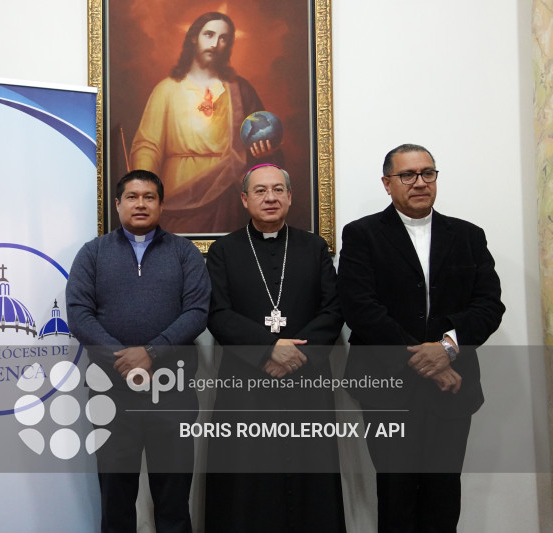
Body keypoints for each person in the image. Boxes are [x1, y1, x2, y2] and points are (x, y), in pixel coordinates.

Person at [337, 144, 505, 532]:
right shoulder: (362, 234)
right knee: (396, 496)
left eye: (428, 173)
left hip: (452, 386)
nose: (419, 182)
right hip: (388, 387)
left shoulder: (467, 235)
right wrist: (424, 361)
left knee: (443, 496)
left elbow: (488, 306)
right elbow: (361, 309)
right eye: (408, 175)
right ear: (387, 183)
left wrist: (446, 350)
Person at [204, 163, 347, 531]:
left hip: (307, 381)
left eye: (278, 190)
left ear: (290, 196)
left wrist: (296, 356)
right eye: (260, 191)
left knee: (309, 477)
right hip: (246, 385)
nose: (270, 198)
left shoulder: (314, 247)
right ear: (244, 199)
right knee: (246, 483)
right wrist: (268, 349)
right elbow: (218, 315)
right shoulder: (224, 250)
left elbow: (333, 310)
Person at [66, 170, 210, 532]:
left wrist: (151, 352)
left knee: (173, 500)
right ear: (118, 204)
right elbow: (79, 315)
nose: (141, 204)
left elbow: (197, 312)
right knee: (116, 499)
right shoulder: (93, 253)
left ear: (161, 204)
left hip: (171, 392)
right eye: (132, 197)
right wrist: (123, 359)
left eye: (149, 197)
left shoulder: (184, 252)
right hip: (111, 395)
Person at [130, 11, 283, 233]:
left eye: (224, 38)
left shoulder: (240, 89)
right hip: (178, 191)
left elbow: (263, 140)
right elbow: (148, 145)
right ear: (194, 38)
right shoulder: (167, 89)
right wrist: (144, 190)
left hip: (226, 191)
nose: (215, 44)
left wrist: (262, 153)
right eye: (209, 35)